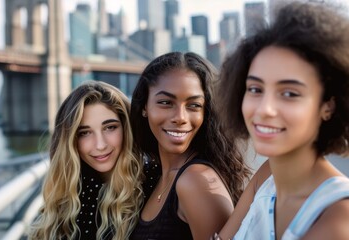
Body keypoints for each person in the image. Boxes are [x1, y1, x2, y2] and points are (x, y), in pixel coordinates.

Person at [214, 1, 349, 240]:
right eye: (255, 89)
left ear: (328, 105)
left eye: (289, 93)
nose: (265, 109)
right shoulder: (266, 177)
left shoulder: (339, 218)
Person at [129, 51, 250, 240]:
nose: (180, 118)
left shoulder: (195, 181)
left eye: (193, 105)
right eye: (165, 102)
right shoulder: (154, 176)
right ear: (144, 106)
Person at [29, 81, 143, 240]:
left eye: (110, 127)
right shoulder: (69, 195)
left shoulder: (153, 185)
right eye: (84, 133)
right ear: (70, 140)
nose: (100, 145)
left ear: (126, 128)